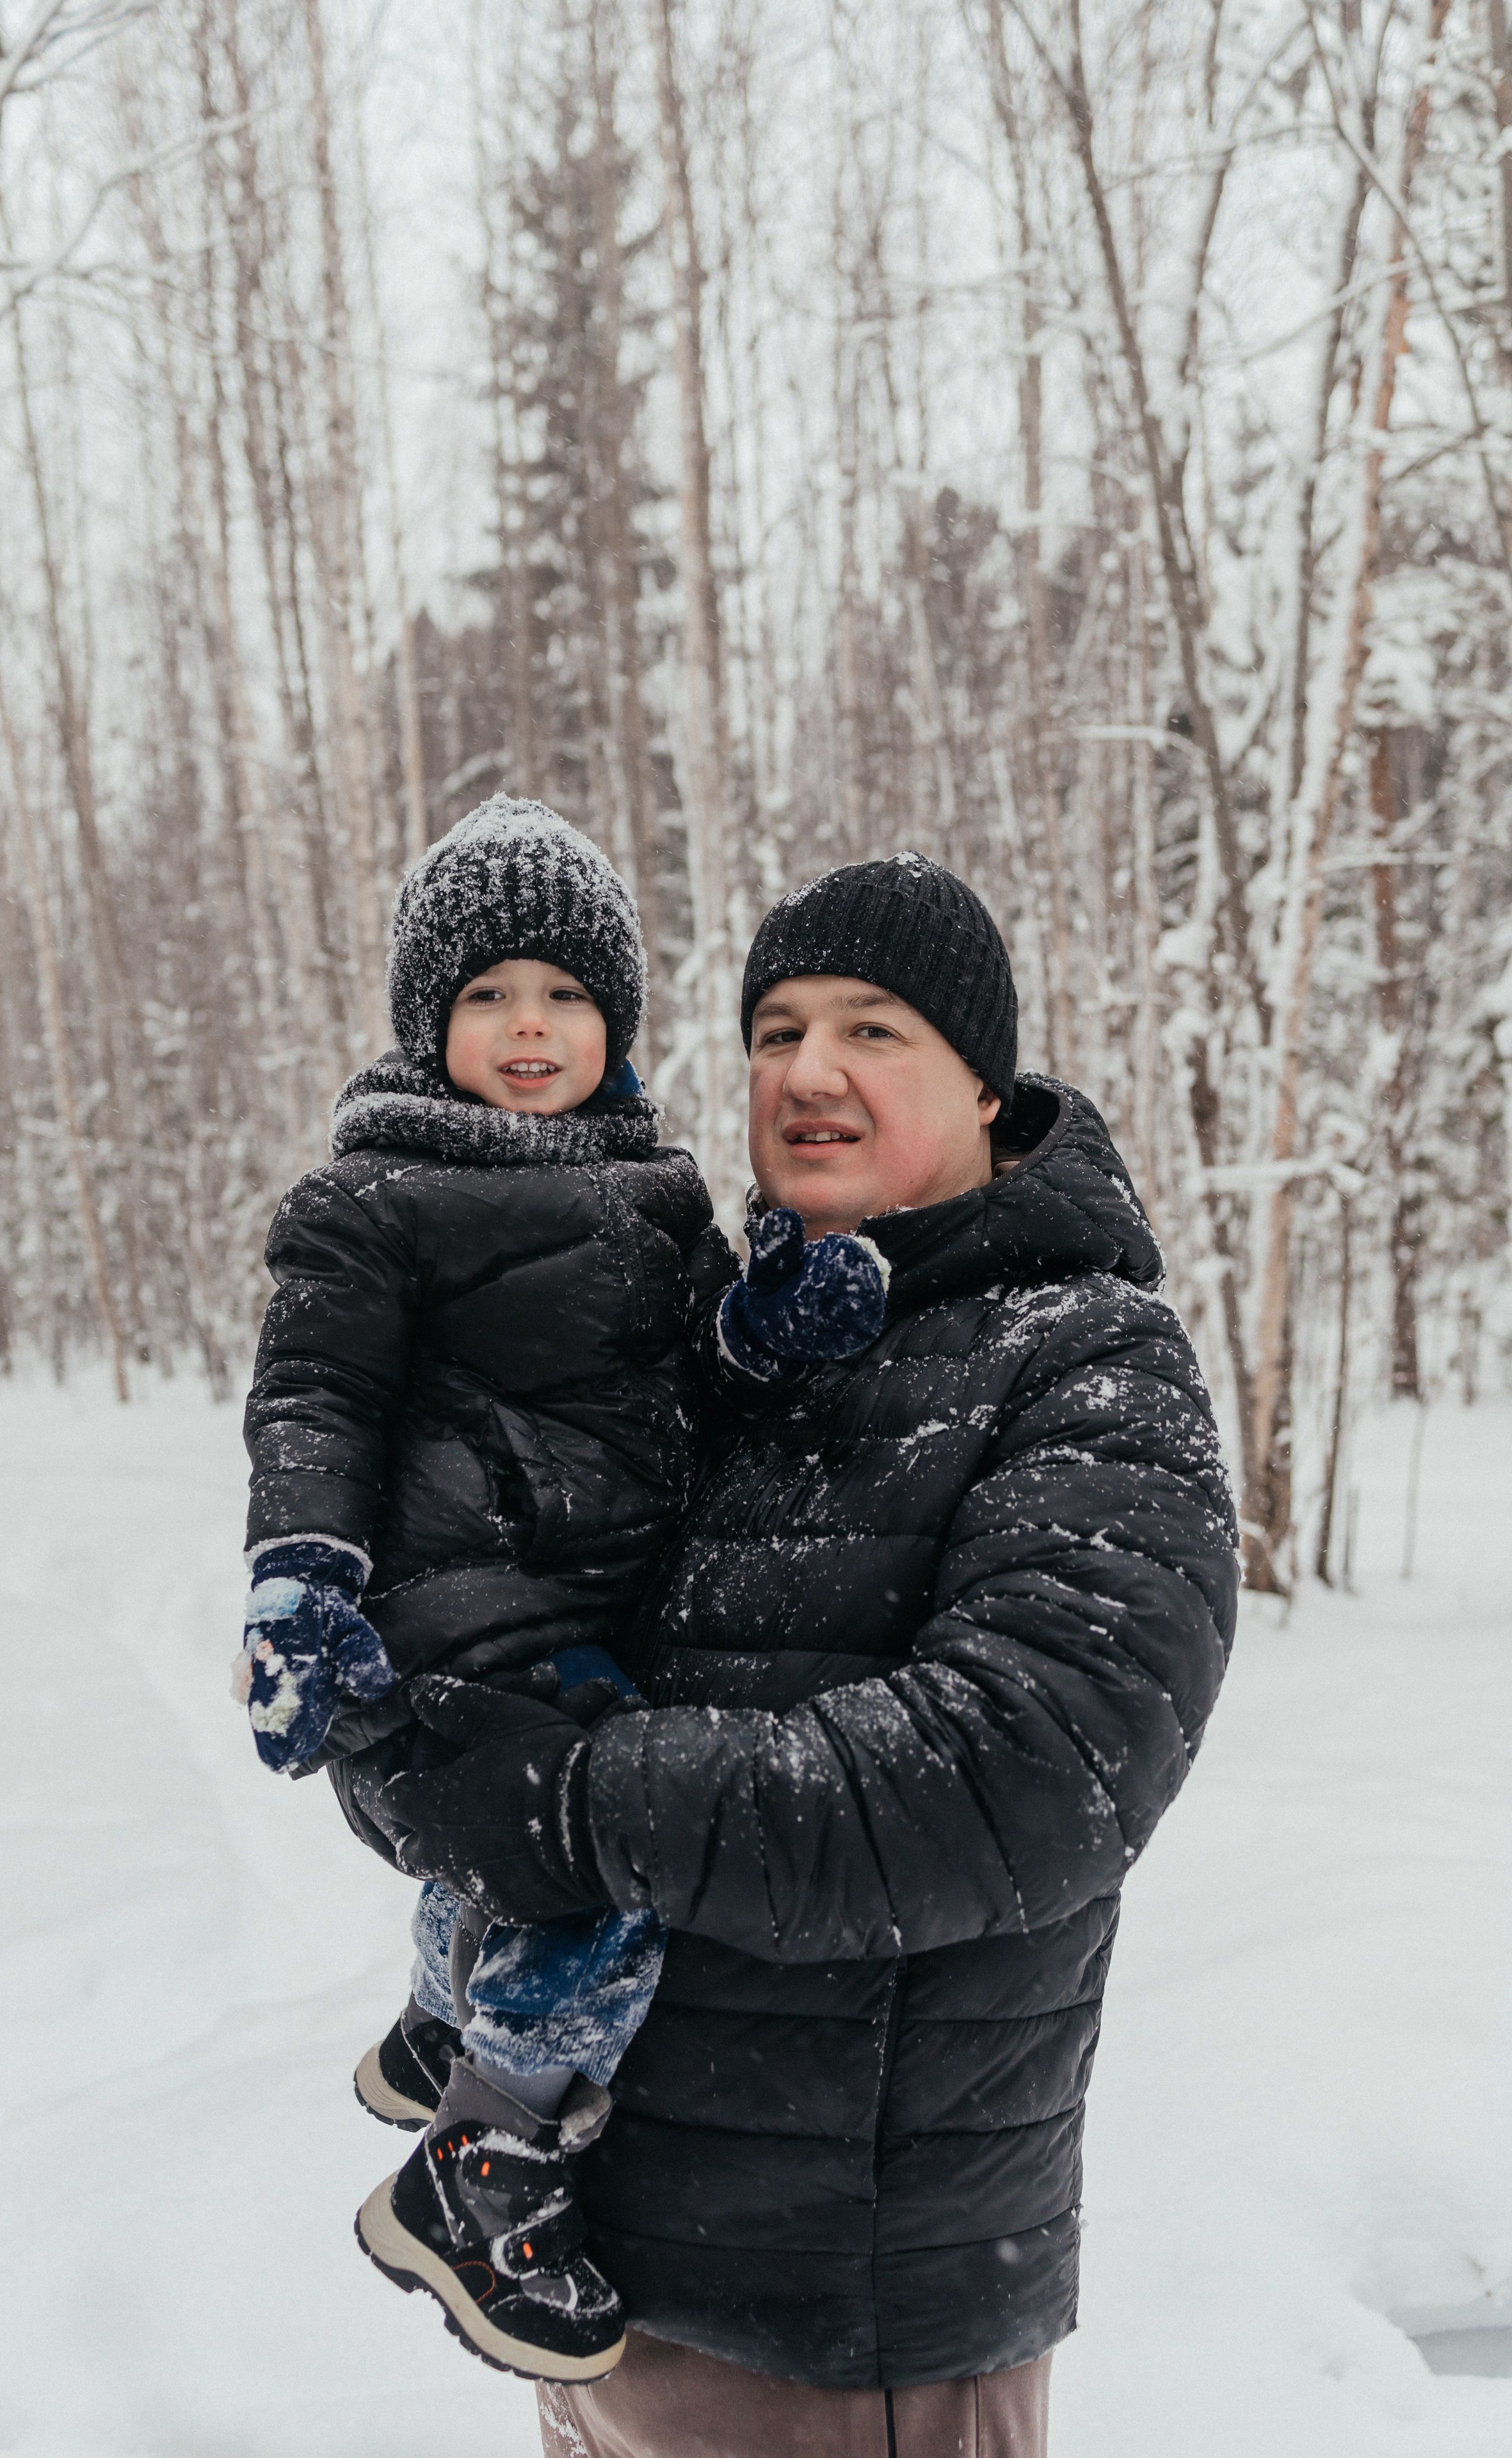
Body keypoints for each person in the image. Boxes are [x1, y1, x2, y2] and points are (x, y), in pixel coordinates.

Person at [367, 853, 1239, 2456]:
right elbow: (509, 1634)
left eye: (873, 1030)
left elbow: (1013, 1775)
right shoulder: (706, 1343)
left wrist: (561, 1800)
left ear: (986, 1084)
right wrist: (412, 1738)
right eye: (774, 1027)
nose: (808, 1072)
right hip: (594, 2273)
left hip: (844, 2325)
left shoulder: (1085, 1361)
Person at [239, 794, 799, 2384]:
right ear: (431, 1024)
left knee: (523, 1831)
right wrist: (301, 1577)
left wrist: (776, 1322)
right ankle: (485, 2167)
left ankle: (441, 2021)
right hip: (453, 1602)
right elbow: (314, 1401)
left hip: (598, 1606)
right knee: (608, 1853)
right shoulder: (376, 1197)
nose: (529, 1025)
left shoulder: (660, 1188)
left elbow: (700, 1378)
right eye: (487, 995)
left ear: (614, 1021)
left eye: (563, 993)